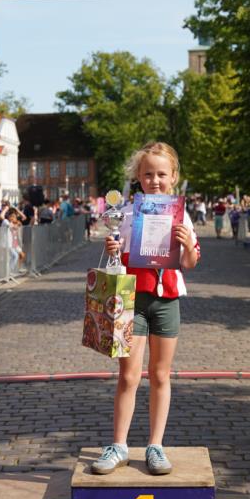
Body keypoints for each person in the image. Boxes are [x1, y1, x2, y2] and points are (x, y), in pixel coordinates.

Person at [92, 141, 200, 477]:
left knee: (160, 375)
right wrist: (113, 248)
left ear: (173, 177)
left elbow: (189, 263)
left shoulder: (182, 215)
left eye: (161, 174)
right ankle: (119, 445)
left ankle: (155, 445)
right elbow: (116, 258)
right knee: (127, 376)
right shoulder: (125, 213)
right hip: (131, 300)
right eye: (148, 174)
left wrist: (186, 245)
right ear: (138, 177)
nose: (155, 180)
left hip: (166, 299)